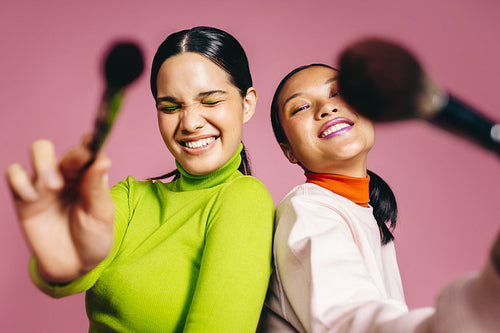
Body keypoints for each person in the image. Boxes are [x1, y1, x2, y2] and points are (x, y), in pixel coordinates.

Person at [6, 26, 275, 332]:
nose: (190, 122)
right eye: (170, 107)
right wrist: (65, 262)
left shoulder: (243, 198)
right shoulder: (131, 197)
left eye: (210, 101)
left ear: (247, 104)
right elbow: (63, 273)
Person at [258, 64, 500, 332]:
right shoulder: (308, 211)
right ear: (289, 151)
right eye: (300, 107)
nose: (326, 108)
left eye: (338, 93)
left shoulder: (365, 213)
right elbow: (352, 323)